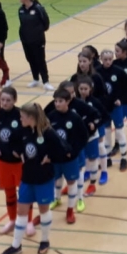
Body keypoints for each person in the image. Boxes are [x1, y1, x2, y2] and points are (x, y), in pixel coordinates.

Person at [0, 103, 63, 254]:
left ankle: (45, 241)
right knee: (21, 211)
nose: (20, 119)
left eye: (22, 117)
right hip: (27, 177)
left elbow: (63, 149)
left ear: (31, 118)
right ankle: (16, 246)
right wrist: (18, 152)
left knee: (44, 210)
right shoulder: (23, 131)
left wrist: (51, 158)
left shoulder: (48, 133)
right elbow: (11, 141)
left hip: (44, 178)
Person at [0, 87, 30, 236]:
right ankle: (12, 220)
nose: (4, 103)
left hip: (20, 163)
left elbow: (30, 134)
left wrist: (21, 151)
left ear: (15, 100)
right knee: (9, 193)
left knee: (25, 193)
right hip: (3, 162)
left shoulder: (21, 115)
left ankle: (28, 222)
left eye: (8, 100)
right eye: (2, 100)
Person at [46, 88, 88, 224]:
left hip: (70, 159)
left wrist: (74, 152)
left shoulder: (75, 118)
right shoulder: (51, 117)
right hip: (55, 158)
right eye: (56, 101)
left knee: (71, 182)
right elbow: (46, 137)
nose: (57, 104)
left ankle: (70, 209)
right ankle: (57, 199)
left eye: (60, 101)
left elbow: (84, 137)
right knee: (56, 179)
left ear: (68, 101)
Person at [103, 45, 127, 169]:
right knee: (109, 130)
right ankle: (112, 150)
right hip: (109, 105)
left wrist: (119, 97)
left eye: (117, 51)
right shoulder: (103, 69)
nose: (109, 61)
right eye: (105, 59)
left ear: (125, 52)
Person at [18, 0, 53, 90]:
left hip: (37, 39)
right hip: (25, 39)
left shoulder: (38, 8)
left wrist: (38, 32)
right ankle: (35, 79)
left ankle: (46, 81)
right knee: (30, 59)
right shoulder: (21, 10)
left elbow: (46, 22)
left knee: (40, 59)